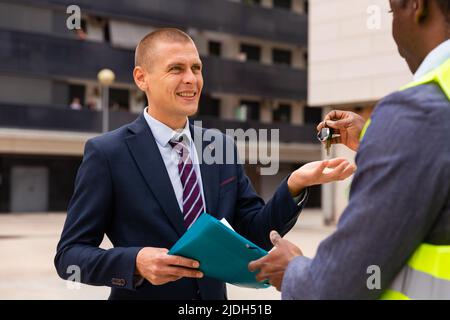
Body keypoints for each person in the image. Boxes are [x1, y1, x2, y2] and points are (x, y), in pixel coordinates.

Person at [54, 28, 355, 300]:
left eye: (196, 68)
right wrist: (134, 263)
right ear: (141, 78)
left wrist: (294, 186)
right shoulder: (107, 153)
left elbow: (252, 233)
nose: (191, 79)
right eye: (176, 69)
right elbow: (69, 256)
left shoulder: (220, 145)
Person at [249, 0, 450, 299]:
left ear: (416, 6)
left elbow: (335, 287)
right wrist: (376, 137)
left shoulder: (415, 113)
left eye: (392, 12)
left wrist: (292, 269)